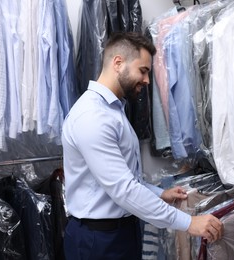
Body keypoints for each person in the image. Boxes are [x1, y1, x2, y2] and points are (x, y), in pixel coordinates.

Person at [61, 32, 223, 259]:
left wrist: (159, 193)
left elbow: (123, 178)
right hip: (97, 240)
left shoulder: (112, 110)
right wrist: (189, 223)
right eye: (143, 71)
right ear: (118, 63)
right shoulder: (92, 116)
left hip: (119, 232)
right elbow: (123, 189)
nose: (147, 80)